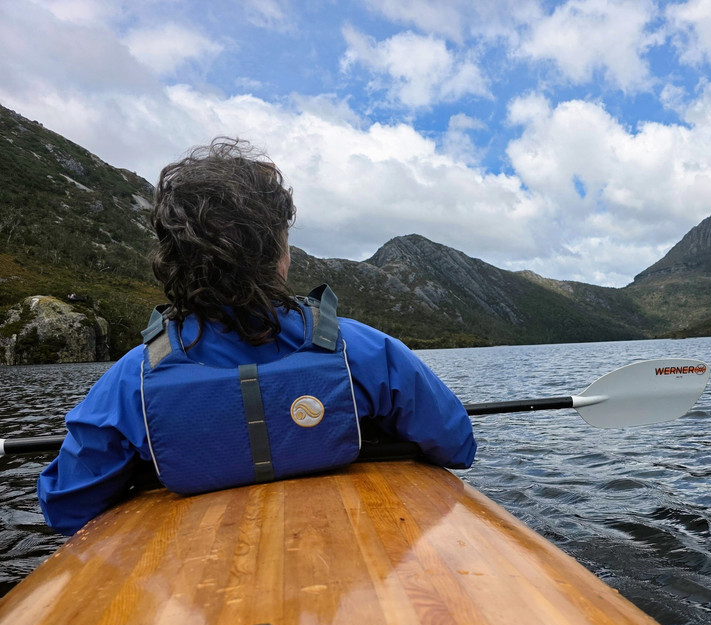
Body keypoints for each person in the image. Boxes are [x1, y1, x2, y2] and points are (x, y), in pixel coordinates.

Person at [38, 137, 476, 536]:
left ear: (175, 261)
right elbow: (457, 445)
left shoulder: (132, 379)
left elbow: (66, 506)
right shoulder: (364, 351)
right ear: (279, 254)